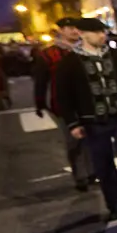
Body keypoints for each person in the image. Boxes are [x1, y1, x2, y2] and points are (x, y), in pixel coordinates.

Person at [55, 18, 117, 221]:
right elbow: (63, 95)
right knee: (103, 163)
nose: (102, 35)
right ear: (82, 33)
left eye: (103, 31)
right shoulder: (70, 62)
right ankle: (113, 203)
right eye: (97, 32)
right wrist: (73, 123)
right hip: (93, 121)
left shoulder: (116, 56)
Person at [33, 18, 93, 191]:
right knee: (73, 140)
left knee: (91, 138)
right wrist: (39, 102)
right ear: (60, 30)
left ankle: (92, 171)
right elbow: (41, 80)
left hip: (88, 101)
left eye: (76, 28)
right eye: (70, 28)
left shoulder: (87, 49)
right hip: (62, 103)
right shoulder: (48, 54)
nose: (74, 31)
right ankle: (80, 175)